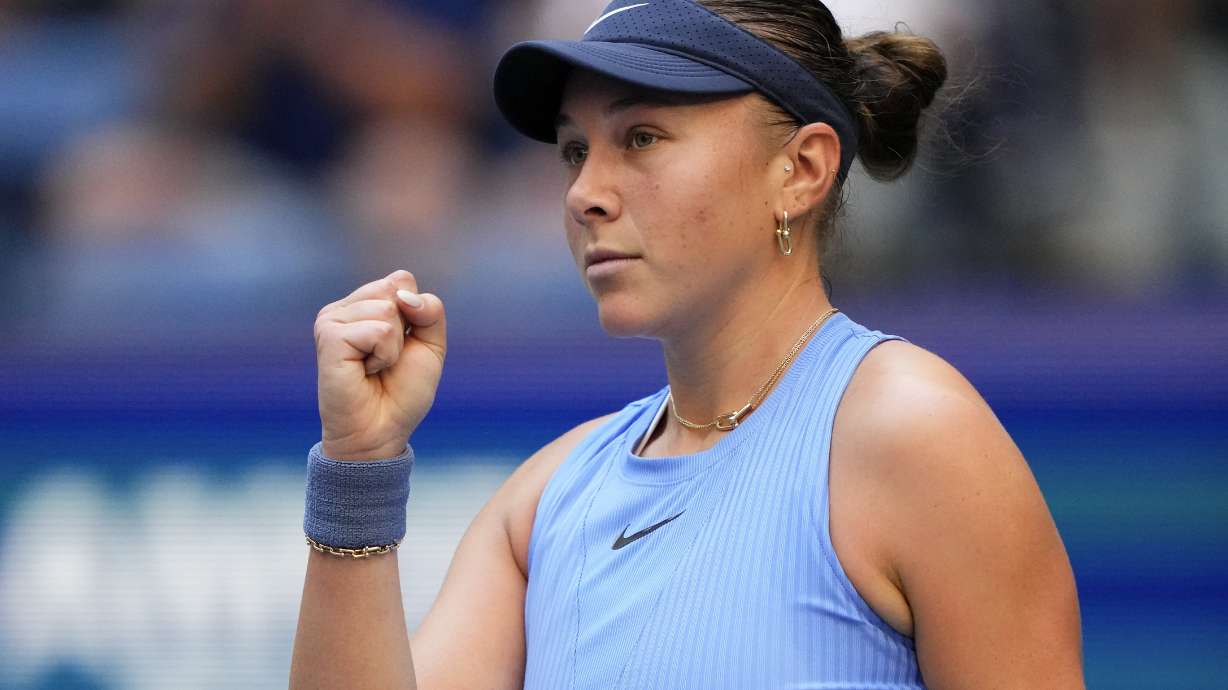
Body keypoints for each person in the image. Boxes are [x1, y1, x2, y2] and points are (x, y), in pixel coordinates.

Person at [289, 1, 1085, 688]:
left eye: (641, 138)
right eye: (575, 150)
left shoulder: (914, 432)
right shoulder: (543, 502)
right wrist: (359, 466)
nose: (584, 193)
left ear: (801, 169)